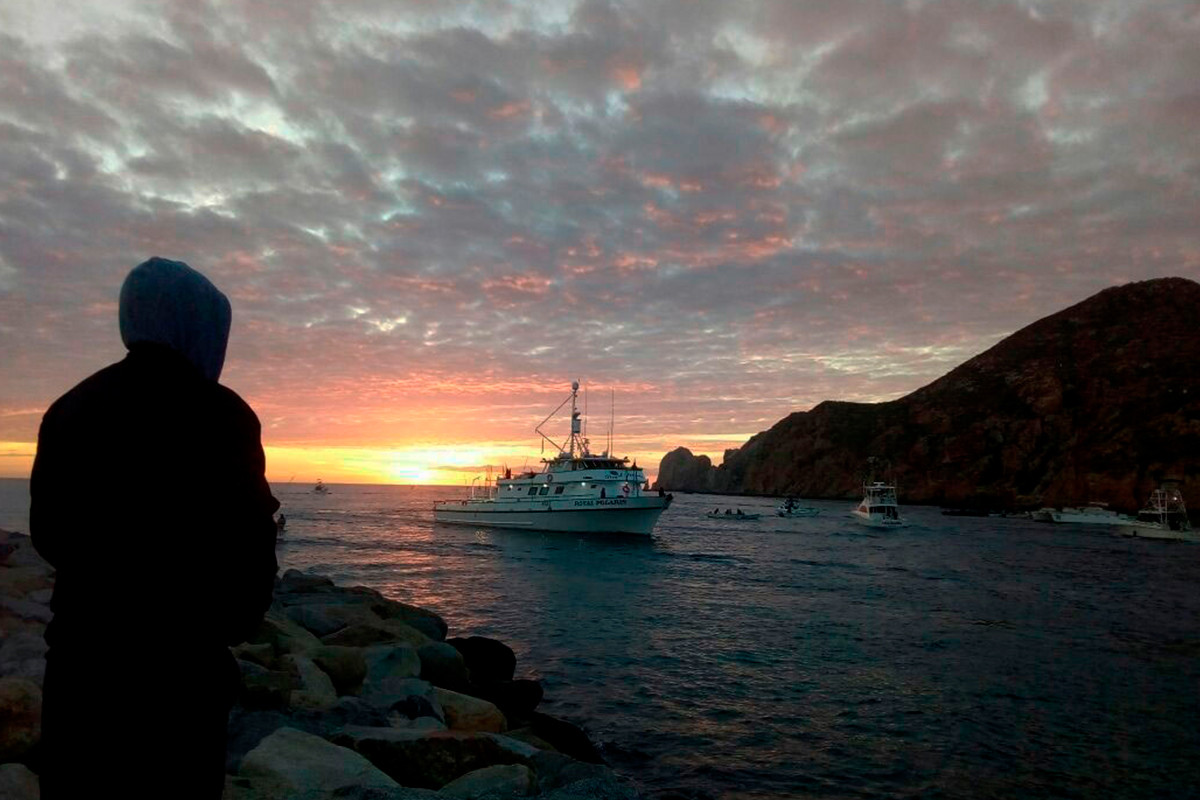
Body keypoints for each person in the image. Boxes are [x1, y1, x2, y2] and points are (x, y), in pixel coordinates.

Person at [30, 257, 279, 799]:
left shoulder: (70, 407)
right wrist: (233, 624)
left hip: (81, 663)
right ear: (201, 325)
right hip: (179, 673)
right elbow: (249, 538)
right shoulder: (221, 414)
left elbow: (47, 532)